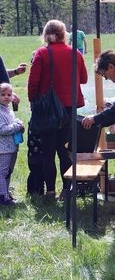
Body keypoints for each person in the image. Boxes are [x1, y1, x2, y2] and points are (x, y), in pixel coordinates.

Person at [27, 20, 88, 200]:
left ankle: (51, 191)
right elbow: (83, 79)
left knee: (48, 152)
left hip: (47, 110)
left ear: (45, 34)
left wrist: (34, 103)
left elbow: (33, 83)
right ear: (64, 34)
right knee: (64, 150)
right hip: (69, 109)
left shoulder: (42, 53)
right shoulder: (75, 53)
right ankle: (67, 190)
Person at [82, 50, 115, 129]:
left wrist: (95, 119)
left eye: (104, 75)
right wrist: (99, 122)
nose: (106, 78)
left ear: (111, 67)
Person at [0, 83, 24, 205]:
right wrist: (17, 126)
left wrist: (18, 122)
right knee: (2, 172)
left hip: (11, 147)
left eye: (9, 94)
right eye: (2, 94)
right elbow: (2, 130)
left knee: (8, 172)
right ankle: (3, 197)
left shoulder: (7, 109)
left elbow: (12, 121)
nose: (6, 97)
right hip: (3, 149)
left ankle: (6, 194)